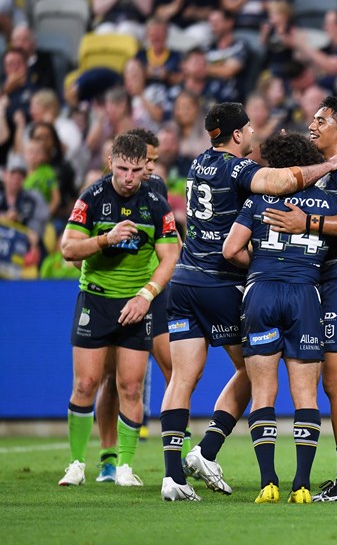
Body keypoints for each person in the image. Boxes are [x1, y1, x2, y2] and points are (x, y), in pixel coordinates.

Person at [159, 102, 337, 502]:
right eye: (250, 128)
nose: (254, 134)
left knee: (183, 379)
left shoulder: (198, 163)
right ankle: (215, 452)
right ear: (236, 134)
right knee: (257, 374)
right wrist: (331, 165)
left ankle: (173, 476)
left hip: (184, 280)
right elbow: (281, 183)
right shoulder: (243, 172)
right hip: (224, 283)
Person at [262, 96, 337, 502]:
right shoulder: (327, 170)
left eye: (322, 120)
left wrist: (308, 222)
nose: (312, 125)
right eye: (312, 118)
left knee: (336, 384)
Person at [222, 132, 337, 505]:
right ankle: (302, 485)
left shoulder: (258, 200)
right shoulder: (329, 202)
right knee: (305, 393)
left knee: (263, 392)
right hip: (305, 293)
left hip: (261, 292)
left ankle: (268, 483)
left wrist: (261, 263)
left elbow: (231, 250)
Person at [57, 133, 180, 488]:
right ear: (110, 162)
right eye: (123, 169)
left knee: (130, 386)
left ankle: (125, 466)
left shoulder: (155, 203)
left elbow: (170, 255)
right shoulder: (92, 198)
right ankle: (76, 463)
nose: (129, 177)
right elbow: (68, 249)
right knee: (85, 383)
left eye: (137, 171)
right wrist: (106, 239)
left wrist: (146, 296)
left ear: (146, 168)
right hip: (95, 300)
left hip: (135, 305)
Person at [91, 127, 176, 483]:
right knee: (112, 378)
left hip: (154, 292)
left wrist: (152, 289)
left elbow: (170, 246)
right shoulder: (101, 193)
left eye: (151, 162)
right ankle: (108, 458)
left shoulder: (157, 191)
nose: (150, 168)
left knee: (174, 371)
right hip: (117, 294)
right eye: (146, 162)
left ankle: (180, 451)